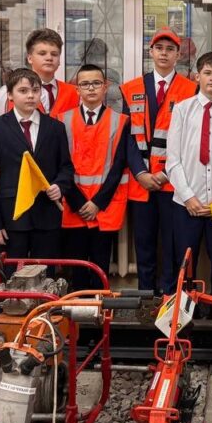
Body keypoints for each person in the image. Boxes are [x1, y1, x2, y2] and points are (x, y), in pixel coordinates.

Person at [121, 28, 197, 293]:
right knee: (144, 244)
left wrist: (165, 174)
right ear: (150, 52)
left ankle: (169, 297)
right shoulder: (130, 88)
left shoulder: (191, 89)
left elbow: (190, 139)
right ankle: (146, 297)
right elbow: (128, 138)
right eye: (159, 48)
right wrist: (141, 173)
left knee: (172, 245)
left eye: (170, 49)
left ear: (178, 55)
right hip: (141, 184)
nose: (164, 53)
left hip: (173, 184)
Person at [166, 51, 212, 299]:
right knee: (185, 264)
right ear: (197, 76)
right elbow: (173, 160)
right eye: (207, 73)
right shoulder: (182, 110)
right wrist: (188, 197)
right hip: (186, 204)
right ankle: (185, 311)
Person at [0, 68, 75, 260]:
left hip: (47, 214)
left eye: (35, 90)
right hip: (12, 215)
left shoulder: (55, 127)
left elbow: (66, 167)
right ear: (10, 95)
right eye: (23, 91)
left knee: (45, 271)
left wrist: (59, 186)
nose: (30, 96)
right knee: (13, 272)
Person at [60, 64, 130, 291]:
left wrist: (97, 203)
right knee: (78, 266)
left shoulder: (120, 121)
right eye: (85, 84)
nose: (91, 88)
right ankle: (79, 306)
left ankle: (100, 306)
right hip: (74, 205)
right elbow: (60, 164)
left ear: (105, 87)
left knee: (101, 265)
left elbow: (119, 165)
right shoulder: (62, 120)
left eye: (96, 83)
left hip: (104, 206)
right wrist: (79, 202)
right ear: (77, 89)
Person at [0, 28, 79, 119]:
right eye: (42, 53)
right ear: (29, 58)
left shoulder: (76, 93)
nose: (49, 58)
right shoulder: (7, 91)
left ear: (59, 60)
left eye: (54, 54)